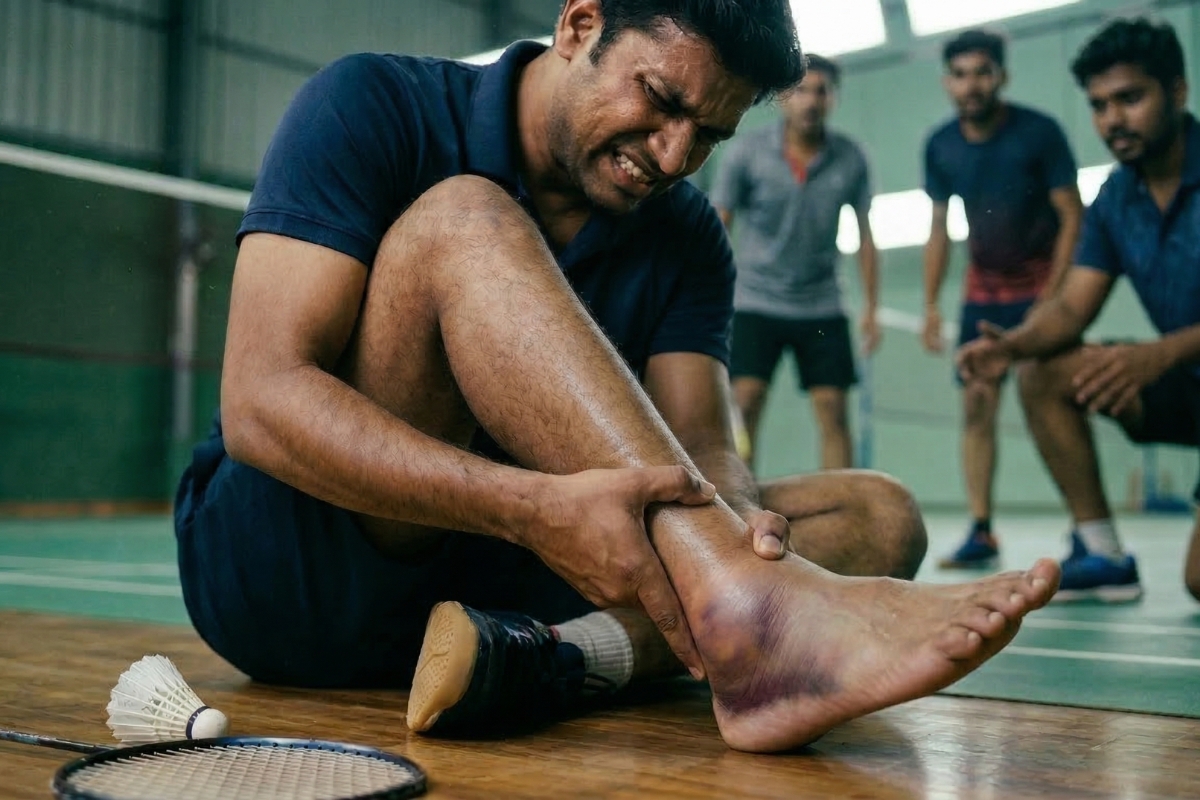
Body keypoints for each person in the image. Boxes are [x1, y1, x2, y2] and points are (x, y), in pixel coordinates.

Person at [175, 0, 1059, 754]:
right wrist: (531, 508)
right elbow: (259, 401)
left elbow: (704, 446)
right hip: (294, 576)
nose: (675, 158)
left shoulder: (685, 233)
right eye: (662, 101)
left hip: (494, 585)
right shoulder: (370, 103)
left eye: (709, 134)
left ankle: (556, 661)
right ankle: (735, 625)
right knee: (463, 218)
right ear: (579, 23)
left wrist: (748, 526)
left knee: (875, 517)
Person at [959, 18, 1200, 604]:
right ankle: (1103, 552)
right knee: (1044, 370)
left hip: (1174, 359)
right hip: (1187, 378)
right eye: (1098, 105)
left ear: (1177, 91)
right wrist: (1010, 346)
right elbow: (1070, 309)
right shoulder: (1117, 197)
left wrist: (1157, 355)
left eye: (1130, 98)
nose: (1112, 120)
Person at [921, 29, 1083, 569]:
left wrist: (1056, 300)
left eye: (982, 72)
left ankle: (1086, 529)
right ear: (948, 82)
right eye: (961, 74)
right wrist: (931, 306)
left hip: (1043, 290)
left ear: (1001, 76)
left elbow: (1072, 217)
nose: (972, 84)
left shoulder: (1040, 133)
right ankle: (982, 531)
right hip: (982, 295)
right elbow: (940, 229)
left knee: (1056, 402)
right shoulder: (940, 145)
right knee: (976, 406)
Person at [709, 54, 880, 472]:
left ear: (833, 99)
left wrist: (871, 310)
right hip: (755, 300)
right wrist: (708, 300)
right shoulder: (748, 153)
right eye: (801, 90)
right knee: (744, 407)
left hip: (822, 304)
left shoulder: (852, 158)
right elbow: (717, 226)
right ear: (784, 99)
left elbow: (865, 237)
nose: (811, 101)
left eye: (821, 91)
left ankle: (841, 517)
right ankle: (740, 514)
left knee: (834, 412)